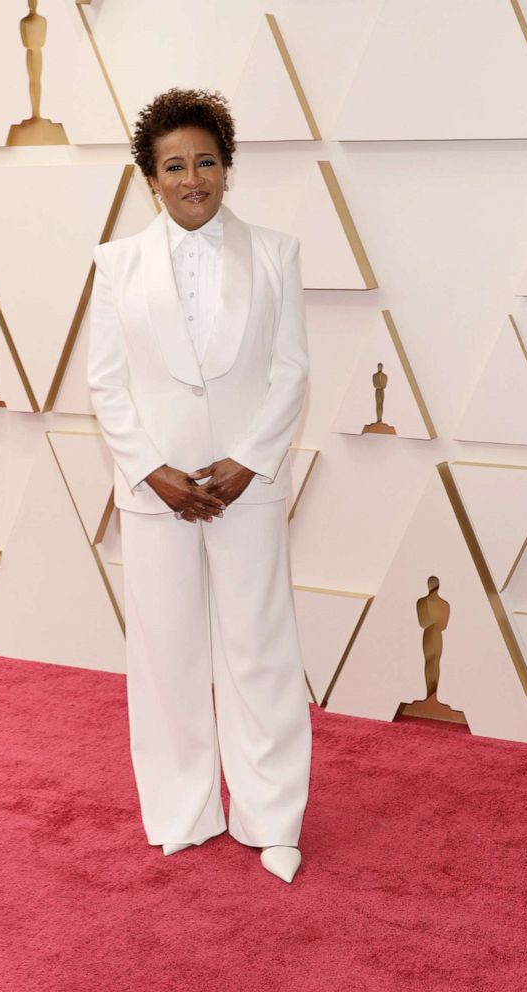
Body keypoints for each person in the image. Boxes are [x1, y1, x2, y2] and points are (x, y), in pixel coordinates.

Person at [87, 88, 312, 884]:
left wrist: (249, 461)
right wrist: (155, 473)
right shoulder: (116, 263)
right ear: (150, 176)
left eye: (206, 162)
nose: (193, 178)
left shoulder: (277, 253)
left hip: (246, 484)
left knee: (261, 651)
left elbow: (290, 373)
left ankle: (272, 816)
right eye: (174, 165)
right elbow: (106, 383)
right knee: (165, 653)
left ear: (228, 166)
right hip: (157, 492)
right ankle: (182, 811)